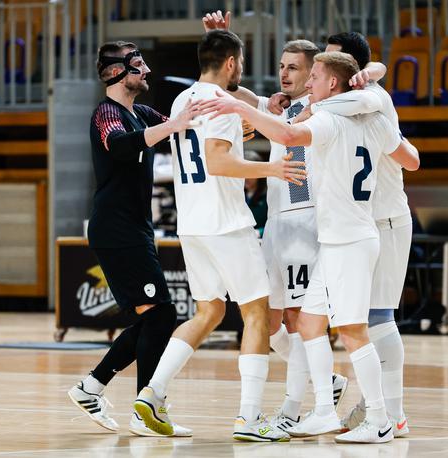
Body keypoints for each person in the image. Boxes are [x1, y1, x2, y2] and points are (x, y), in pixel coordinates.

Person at [200, 51, 418, 443]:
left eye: (314, 76)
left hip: (349, 239)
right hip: (338, 237)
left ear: (332, 83)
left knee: (353, 331)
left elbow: (286, 137)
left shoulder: (329, 121)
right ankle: (322, 410)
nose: (310, 83)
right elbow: (411, 160)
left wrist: (236, 106)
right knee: (309, 324)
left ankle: (382, 419)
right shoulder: (375, 118)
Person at [133, 30, 306, 442]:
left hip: (192, 225)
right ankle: (249, 417)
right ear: (232, 63)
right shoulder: (223, 104)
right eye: (240, 64)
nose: (241, 71)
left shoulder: (182, 99)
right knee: (256, 314)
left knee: (208, 313)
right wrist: (270, 168)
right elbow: (219, 161)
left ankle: (152, 393)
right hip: (225, 223)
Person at [201, 12, 349, 433]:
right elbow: (241, 97)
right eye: (282, 66)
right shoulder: (282, 107)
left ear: (314, 75)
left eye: (294, 68)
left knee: (300, 322)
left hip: (307, 222)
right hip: (278, 224)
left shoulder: (320, 108)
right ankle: (327, 380)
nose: (284, 73)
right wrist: (219, 43)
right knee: (267, 322)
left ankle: (292, 405)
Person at [67, 41, 200, 437]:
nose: (146, 72)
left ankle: (91, 388)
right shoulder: (105, 114)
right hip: (116, 227)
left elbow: (181, 127)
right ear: (116, 73)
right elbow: (120, 146)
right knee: (160, 315)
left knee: (154, 317)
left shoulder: (140, 112)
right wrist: (172, 126)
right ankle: (146, 405)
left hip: (134, 226)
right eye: (138, 66)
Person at [307, 31, 419, 438]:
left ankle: (392, 412)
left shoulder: (371, 97)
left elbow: (412, 159)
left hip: (385, 218)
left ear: (351, 70)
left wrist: (373, 72)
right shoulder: (344, 101)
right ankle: (359, 407)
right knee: (337, 318)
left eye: (332, 62)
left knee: (377, 317)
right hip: (361, 221)